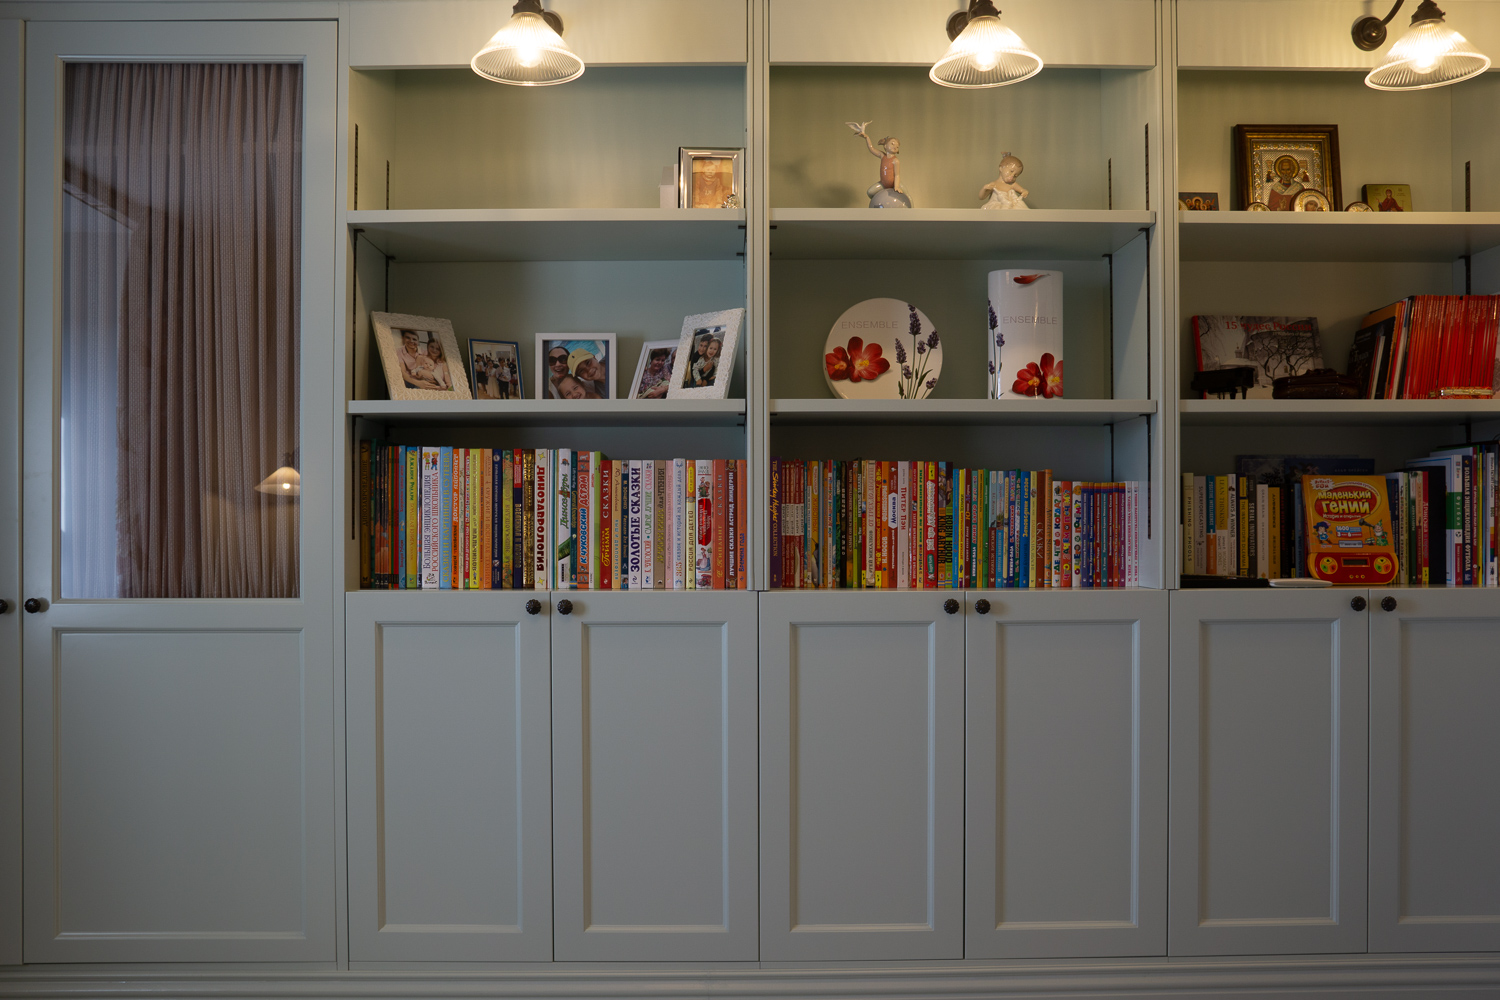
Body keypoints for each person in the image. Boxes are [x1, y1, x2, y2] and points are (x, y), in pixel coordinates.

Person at [846, 121, 904, 200]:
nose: (895, 147)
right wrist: (867, 138)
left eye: (897, 146)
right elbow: (871, 148)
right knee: (870, 192)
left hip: (894, 184)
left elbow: (897, 175)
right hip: (883, 184)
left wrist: (896, 186)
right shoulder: (882, 156)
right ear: (885, 146)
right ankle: (877, 204)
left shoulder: (895, 161)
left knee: (906, 195)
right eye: (892, 144)